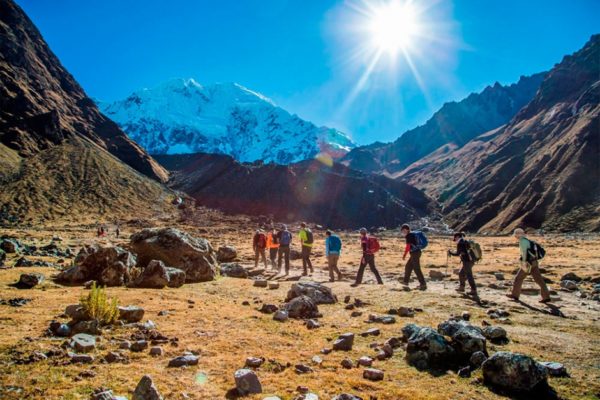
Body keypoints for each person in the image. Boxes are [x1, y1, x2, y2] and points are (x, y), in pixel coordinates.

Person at [506, 228, 551, 303]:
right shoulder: (527, 240)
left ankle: (515, 295)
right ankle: (546, 297)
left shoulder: (522, 241)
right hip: (534, 262)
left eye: (516, 235)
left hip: (528, 263)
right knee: (539, 280)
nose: (515, 236)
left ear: (517, 235)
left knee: (518, 278)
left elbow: (524, 253)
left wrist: (523, 262)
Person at [448, 232, 478, 297]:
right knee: (461, 273)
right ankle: (462, 287)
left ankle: (473, 290)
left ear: (457, 237)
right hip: (471, 260)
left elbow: (458, 253)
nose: (455, 239)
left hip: (467, 261)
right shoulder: (465, 241)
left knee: (469, 275)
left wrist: (450, 252)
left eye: (455, 238)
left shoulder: (460, 243)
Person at [401, 224, 427, 290]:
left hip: (415, 253)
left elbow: (408, 247)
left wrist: (404, 255)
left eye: (404, 230)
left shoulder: (409, 236)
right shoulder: (412, 235)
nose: (403, 232)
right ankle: (405, 282)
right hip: (416, 252)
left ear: (407, 230)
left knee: (416, 268)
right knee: (408, 267)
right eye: (402, 231)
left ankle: (423, 284)